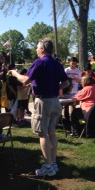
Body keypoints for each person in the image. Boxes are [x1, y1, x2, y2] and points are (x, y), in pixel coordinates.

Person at [9, 37, 68, 177]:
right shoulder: (56, 63)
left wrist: (15, 73)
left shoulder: (39, 62)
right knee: (51, 132)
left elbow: (25, 80)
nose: (36, 49)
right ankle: (53, 163)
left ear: (42, 49)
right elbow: (65, 83)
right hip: (55, 101)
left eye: (37, 47)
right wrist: (53, 88)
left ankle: (47, 166)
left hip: (43, 101)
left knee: (42, 133)